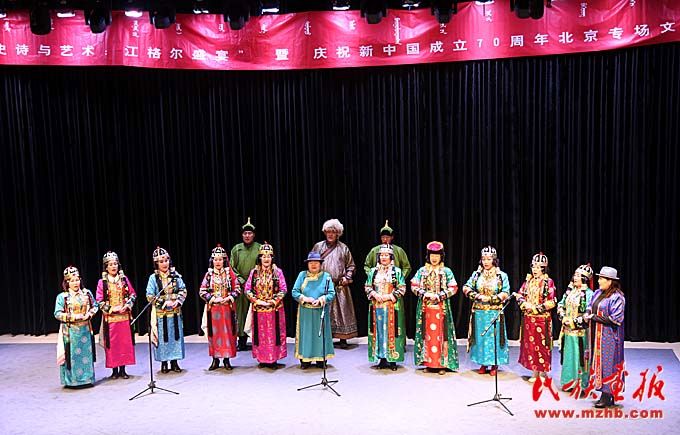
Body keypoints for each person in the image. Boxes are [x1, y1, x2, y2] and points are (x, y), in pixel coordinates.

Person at [410, 241, 459, 374]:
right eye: (432, 255)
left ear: (441, 256)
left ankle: (441, 364)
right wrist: (424, 294)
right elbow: (413, 285)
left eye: (437, 255)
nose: (434, 258)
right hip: (425, 308)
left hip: (441, 308)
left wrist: (439, 295)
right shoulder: (422, 271)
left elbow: (454, 287)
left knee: (442, 335)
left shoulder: (446, 271)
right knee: (426, 335)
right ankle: (428, 363)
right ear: (428, 256)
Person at [462, 246, 510, 376]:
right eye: (483, 259)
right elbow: (466, 287)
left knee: (494, 338)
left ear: (494, 260)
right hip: (479, 312)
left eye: (489, 259)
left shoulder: (501, 276)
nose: (486, 262)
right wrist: (477, 296)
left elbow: (506, 292)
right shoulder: (476, 274)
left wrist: (491, 299)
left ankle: (494, 363)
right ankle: (483, 363)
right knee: (481, 337)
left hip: (494, 312)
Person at [584, 266, 625, 408]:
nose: (599, 281)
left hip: (609, 337)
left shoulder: (617, 297)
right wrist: (588, 313)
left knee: (608, 364)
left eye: (602, 278)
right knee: (599, 363)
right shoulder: (598, 293)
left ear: (610, 281)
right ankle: (604, 393)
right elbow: (590, 305)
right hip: (597, 335)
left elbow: (616, 319)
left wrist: (593, 317)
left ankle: (608, 395)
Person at [311, 218, 356, 348]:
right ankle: (323, 338)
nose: (330, 234)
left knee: (342, 312)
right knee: (323, 311)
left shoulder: (343, 248)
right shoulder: (318, 247)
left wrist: (347, 277)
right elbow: (312, 263)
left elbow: (351, 265)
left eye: (333, 232)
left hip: (339, 286)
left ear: (338, 233)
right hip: (322, 285)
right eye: (328, 232)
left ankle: (343, 338)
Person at [244, 242, 288, 368]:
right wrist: (256, 301)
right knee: (260, 335)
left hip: (274, 309)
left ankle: (273, 359)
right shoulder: (254, 272)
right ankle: (262, 359)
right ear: (260, 258)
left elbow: (283, 289)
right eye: (263, 256)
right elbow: (247, 289)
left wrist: (273, 301)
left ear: (272, 258)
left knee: (273, 335)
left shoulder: (277, 272)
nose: (266, 259)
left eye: (268, 256)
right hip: (259, 309)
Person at [54, 266, 99, 388]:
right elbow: (57, 313)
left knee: (86, 355)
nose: (75, 283)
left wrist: (89, 314)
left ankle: (87, 379)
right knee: (72, 356)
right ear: (67, 282)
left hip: (85, 330)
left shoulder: (86, 293)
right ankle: (72, 381)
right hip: (71, 332)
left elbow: (95, 306)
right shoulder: (62, 297)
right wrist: (73, 317)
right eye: (72, 280)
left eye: (77, 280)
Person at [365, 244, 406, 371]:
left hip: (391, 306)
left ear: (391, 257)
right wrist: (375, 295)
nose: (383, 257)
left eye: (386, 255)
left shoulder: (397, 271)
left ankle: (392, 360)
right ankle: (381, 359)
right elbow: (367, 286)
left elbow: (402, 288)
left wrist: (389, 296)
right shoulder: (373, 271)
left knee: (392, 331)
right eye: (381, 255)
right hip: (377, 306)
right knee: (379, 332)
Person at [145, 247, 187, 373]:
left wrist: (177, 301)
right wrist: (163, 303)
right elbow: (149, 295)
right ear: (156, 263)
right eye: (161, 261)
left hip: (174, 312)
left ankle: (174, 362)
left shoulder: (175, 276)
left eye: (166, 260)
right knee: (163, 338)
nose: (165, 264)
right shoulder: (153, 278)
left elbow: (183, 289)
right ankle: (164, 362)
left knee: (175, 337)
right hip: (161, 314)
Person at [199, 245, 240, 371]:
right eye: (215, 260)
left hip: (227, 309)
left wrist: (229, 297)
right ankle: (215, 359)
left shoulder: (229, 274)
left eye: (220, 259)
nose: (218, 262)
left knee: (228, 334)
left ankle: (227, 359)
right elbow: (202, 291)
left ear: (224, 260)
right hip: (214, 310)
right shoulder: (209, 275)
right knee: (214, 335)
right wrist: (212, 299)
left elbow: (237, 289)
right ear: (212, 261)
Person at [517, 252, 557, 383]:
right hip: (529, 319)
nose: (535, 269)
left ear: (543, 269)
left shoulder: (548, 282)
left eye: (538, 267)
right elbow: (520, 295)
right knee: (531, 346)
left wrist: (536, 308)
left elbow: (552, 301)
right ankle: (534, 371)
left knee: (542, 346)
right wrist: (524, 304)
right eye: (533, 266)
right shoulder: (528, 281)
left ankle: (543, 373)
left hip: (542, 320)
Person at [292, 252, 336, 369]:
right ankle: (305, 359)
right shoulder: (302, 275)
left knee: (320, 335)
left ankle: (321, 359)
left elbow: (331, 293)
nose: (313, 265)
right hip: (305, 312)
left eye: (316, 262)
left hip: (320, 312)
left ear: (320, 264)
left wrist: (321, 299)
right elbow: (295, 292)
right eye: (311, 262)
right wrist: (305, 298)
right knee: (306, 335)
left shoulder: (326, 276)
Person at [96, 251, 136, 379]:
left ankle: (123, 369)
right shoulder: (102, 282)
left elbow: (133, 294)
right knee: (113, 345)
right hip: (111, 319)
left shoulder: (124, 280)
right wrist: (111, 309)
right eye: (110, 264)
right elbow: (99, 301)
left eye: (115, 264)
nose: (113, 267)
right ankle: (114, 370)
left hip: (124, 317)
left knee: (124, 344)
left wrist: (127, 305)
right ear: (106, 267)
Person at [557, 264, 594, 391]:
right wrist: (563, 316)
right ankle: (568, 382)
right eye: (575, 275)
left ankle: (581, 385)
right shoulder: (570, 291)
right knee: (568, 357)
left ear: (585, 278)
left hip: (580, 333)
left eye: (578, 276)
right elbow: (560, 304)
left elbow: (587, 314)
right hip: (567, 331)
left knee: (580, 358)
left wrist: (573, 322)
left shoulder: (589, 294)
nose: (575, 278)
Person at [230, 217, 262, 351]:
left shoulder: (259, 248)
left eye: (250, 233)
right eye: (245, 233)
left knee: (256, 312)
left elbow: (263, 265)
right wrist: (241, 281)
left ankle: (257, 341)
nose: (247, 235)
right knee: (241, 313)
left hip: (256, 286)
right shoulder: (236, 249)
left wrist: (253, 281)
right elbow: (231, 267)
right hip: (241, 286)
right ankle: (242, 341)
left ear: (253, 235)